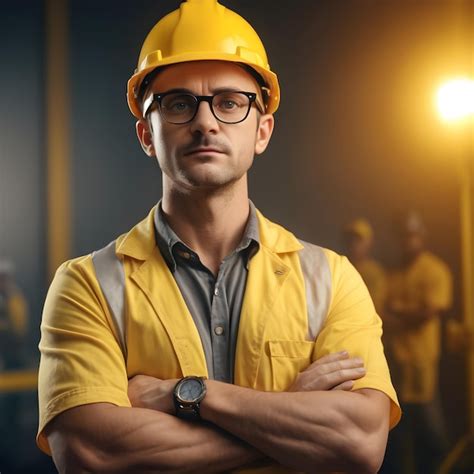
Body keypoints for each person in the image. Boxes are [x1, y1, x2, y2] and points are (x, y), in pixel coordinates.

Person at [37, 1, 400, 472]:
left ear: (262, 130)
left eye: (230, 102)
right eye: (179, 103)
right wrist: (287, 411)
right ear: (147, 133)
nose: (206, 122)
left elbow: (358, 443)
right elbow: (91, 454)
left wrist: (187, 396)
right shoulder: (87, 286)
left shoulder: (330, 279)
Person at [383, 211, 452, 474]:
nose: (408, 242)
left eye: (412, 236)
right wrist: (407, 314)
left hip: (423, 363)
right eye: (403, 237)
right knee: (399, 434)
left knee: (430, 432)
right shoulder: (394, 274)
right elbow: (383, 312)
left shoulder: (435, 270)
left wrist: (399, 312)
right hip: (396, 365)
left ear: (422, 237)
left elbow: (429, 313)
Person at [343, 218, 387, 314]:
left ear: (368, 243)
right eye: (351, 239)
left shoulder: (374, 272)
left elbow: (376, 307)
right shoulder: (340, 267)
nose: (353, 244)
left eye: (358, 240)